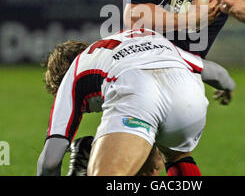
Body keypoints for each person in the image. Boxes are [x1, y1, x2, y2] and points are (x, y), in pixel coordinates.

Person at [37, 28, 208, 176]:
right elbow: (211, 71)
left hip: (140, 93)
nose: (88, 111)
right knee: (164, 161)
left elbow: (50, 161)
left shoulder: (75, 75)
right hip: (190, 94)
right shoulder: (121, 46)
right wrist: (225, 85)